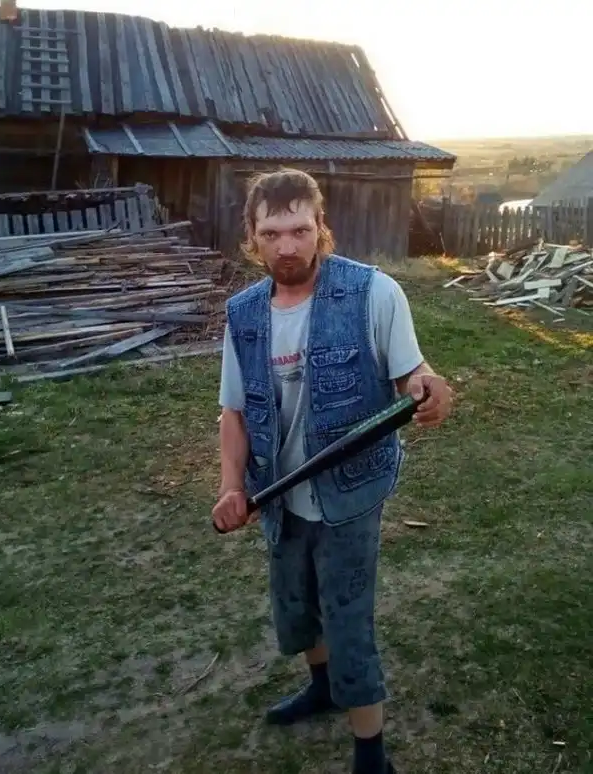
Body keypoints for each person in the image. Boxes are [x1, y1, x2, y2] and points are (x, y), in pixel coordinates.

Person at [212, 168, 453, 774]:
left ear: (321, 227)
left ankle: (371, 755)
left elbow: (411, 373)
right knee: (297, 606)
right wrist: (231, 486)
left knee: (347, 618)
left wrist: (426, 387)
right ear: (251, 236)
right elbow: (233, 412)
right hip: (278, 493)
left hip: (351, 493)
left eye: (300, 230)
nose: (287, 247)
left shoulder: (373, 293)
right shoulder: (243, 315)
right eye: (272, 234)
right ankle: (321, 689)